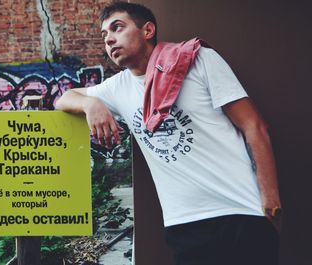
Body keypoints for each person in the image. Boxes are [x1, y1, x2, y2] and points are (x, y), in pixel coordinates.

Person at [56, 2, 281, 265]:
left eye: (117, 28)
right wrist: (89, 103)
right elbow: (63, 99)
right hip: (184, 224)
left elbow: (254, 126)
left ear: (148, 29)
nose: (110, 40)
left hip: (241, 212)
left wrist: (271, 205)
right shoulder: (117, 88)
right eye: (104, 35)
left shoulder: (197, 60)